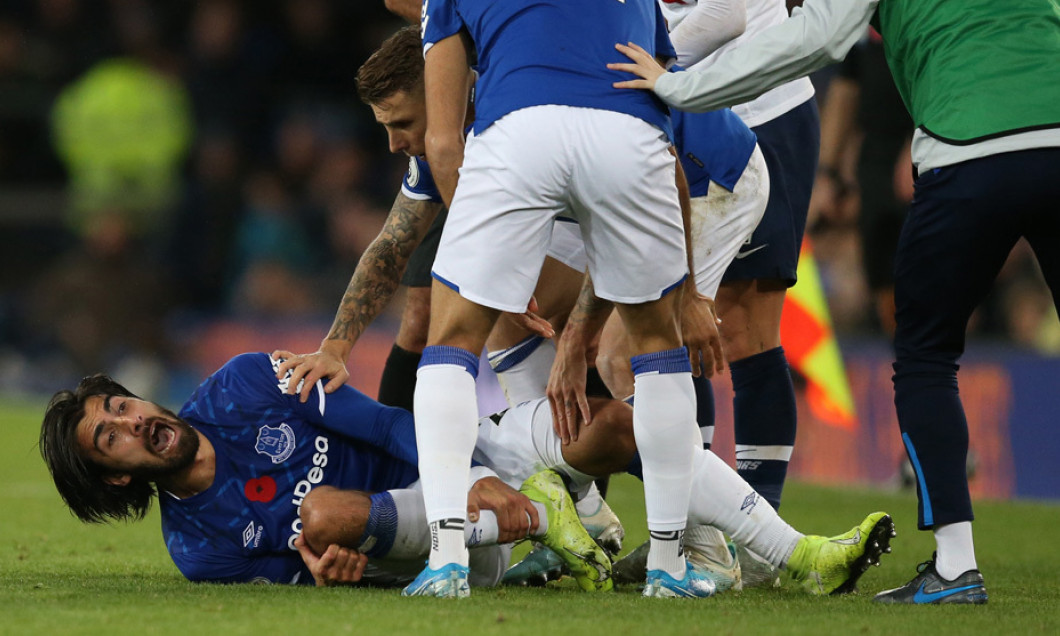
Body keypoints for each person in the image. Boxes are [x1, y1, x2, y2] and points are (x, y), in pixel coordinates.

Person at [608, 0, 1060, 605]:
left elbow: (817, 36)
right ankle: (717, 535)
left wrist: (678, 84)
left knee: (924, 357)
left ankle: (953, 567)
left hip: (961, 140)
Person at [39, 351, 895, 596]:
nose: (130, 422)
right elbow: (325, 580)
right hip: (440, 543)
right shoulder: (199, 549)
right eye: (107, 439)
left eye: (117, 406)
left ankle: (801, 555)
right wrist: (335, 576)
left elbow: (384, 421)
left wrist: (472, 474)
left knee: (614, 426)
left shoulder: (243, 384)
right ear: (114, 482)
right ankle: (532, 523)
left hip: (453, 458)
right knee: (325, 520)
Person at [413, 0, 715, 598]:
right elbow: (663, 102)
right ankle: (670, 566)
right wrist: (688, 288)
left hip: (517, 129)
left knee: (451, 341)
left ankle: (446, 557)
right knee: (658, 348)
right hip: (630, 137)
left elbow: (443, 143)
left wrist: (485, 261)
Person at [655, 0, 822, 517]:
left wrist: (651, 61)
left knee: (743, 327)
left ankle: (760, 529)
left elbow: (728, 13)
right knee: (671, 324)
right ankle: (694, 528)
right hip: (685, 114)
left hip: (762, 109)